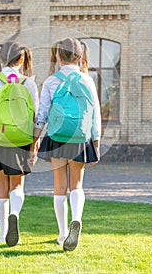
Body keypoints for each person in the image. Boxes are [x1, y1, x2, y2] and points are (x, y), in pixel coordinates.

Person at [30, 38, 101, 251]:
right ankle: (76, 218)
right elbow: (95, 113)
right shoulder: (87, 80)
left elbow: (42, 115)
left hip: (57, 136)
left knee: (59, 187)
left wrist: (34, 141)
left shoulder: (52, 81)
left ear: (58, 57)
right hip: (80, 137)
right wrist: (96, 141)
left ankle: (62, 235)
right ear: (79, 57)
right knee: (76, 186)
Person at [0, 40, 39, 247]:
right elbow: (36, 117)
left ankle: (3, 233)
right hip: (20, 139)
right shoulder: (28, 83)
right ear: (22, 59)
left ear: (1, 58)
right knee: (17, 185)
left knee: (0, 187)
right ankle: (15, 214)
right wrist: (34, 144)